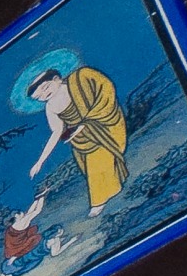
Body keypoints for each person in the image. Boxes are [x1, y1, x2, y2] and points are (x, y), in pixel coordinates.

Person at [22, 54, 128, 215]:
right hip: (81, 141)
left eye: (45, 88)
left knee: (97, 162)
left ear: (57, 79)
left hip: (102, 126)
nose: (44, 95)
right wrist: (40, 161)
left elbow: (106, 90)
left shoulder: (81, 79)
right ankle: (112, 189)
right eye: (39, 97)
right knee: (92, 168)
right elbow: (56, 132)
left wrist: (86, 123)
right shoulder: (50, 107)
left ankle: (98, 203)